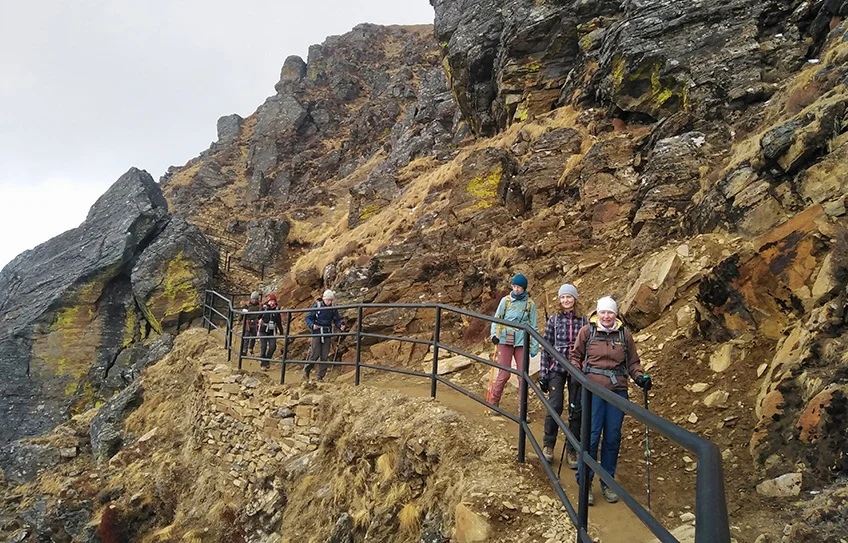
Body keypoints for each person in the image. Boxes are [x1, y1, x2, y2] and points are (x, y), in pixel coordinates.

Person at [570, 296, 652, 505]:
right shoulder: (587, 332)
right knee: (591, 436)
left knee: (613, 437)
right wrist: (578, 377)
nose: (606, 316)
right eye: (603, 312)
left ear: (616, 314)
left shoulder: (625, 335)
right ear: (597, 313)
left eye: (610, 312)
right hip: (593, 390)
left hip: (617, 390)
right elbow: (575, 357)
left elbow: (633, 362)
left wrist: (640, 377)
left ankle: (607, 481)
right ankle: (585, 481)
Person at [539, 284, 587, 466]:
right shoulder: (554, 320)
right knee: (555, 405)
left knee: (576, 409)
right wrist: (544, 373)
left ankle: (572, 449)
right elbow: (546, 347)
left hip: (577, 369)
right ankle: (548, 444)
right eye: (563, 297)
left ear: (575, 298)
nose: (566, 300)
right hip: (556, 368)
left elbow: (588, 347)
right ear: (559, 300)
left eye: (569, 297)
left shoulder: (583, 321)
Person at [489, 274, 539, 417]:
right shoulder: (505, 301)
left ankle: (523, 410)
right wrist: (494, 335)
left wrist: (534, 345)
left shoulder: (530, 304)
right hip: (505, 338)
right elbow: (497, 318)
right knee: (504, 373)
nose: (516, 289)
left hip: (522, 340)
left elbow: (534, 326)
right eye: (514, 286)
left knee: (523, 376)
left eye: (519, 287)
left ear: (524, 288)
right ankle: (494, 402)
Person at [304, 289, 347, 382]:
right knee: (315, 354)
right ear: (324, 299)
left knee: (324, 355)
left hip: (327, 332)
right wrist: (312, 325)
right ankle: (306, 370)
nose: (329, 302)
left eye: (331, 300)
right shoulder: (317, 306)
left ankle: (320, 376)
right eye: (328, 300)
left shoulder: (333, 308)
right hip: (317, 332)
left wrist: (340, 325)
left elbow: (336, 320)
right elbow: (308, 318)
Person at [258, 293, 283, 370]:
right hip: (263, 329)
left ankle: (267, 360)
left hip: (272, 330)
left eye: (273, 301)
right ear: (268, 301)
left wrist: (281, 332)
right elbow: (258, 317)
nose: (272, 303)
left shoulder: (277, 310)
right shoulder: (264, 308)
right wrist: (259, 320)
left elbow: (279, 322)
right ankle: (263, 364)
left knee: (273, 347)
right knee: (263, 347)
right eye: (270, 301)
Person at [241, 291, 262, 356]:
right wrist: (239, 319)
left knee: (253, 336)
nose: (254, 300)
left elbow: (262, 313)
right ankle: (244, 349)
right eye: (253, 299)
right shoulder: (247, 305)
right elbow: (243, 312)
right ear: (251, 298)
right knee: (246, 336)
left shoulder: (260, 306)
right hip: (248, 323)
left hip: (255, 323)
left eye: (256, 299)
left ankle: (251, 348)